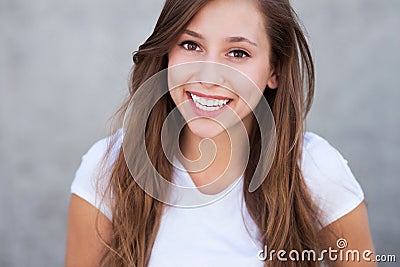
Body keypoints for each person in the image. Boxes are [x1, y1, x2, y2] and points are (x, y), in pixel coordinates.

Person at [65, 0, 376, 266]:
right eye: (191, 45)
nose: (209, 75)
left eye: (238, 53)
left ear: (274, 71)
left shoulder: (315, 168)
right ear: (166, 55)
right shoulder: (107, 168)